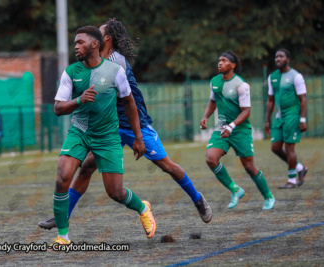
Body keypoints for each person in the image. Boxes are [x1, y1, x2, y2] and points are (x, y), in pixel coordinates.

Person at [39, 18, 212, 232]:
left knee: (166, 165)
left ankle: (197, 199)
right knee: (86, 168)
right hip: (110, 127)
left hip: (134, 123)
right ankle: (62, 215)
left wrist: (138, 137)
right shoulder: (91, 61)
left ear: (105, 39)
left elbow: (127, 101)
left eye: (98, 33)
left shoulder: (116, 62)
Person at [50, 25, 156, 245]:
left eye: (80, 42)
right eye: (75, 43)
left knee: (115, 192)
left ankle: (142, 208)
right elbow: (58, 108)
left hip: (107, 137)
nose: (76, 47)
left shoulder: (115, 71)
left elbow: (129, 103)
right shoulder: (71, 72)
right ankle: (63, 237)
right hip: (79, 132)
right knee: (62, 178)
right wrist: (79, 100)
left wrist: (138, 138)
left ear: (95, 44)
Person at [200, 51, 275, 210]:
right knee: (210, 158)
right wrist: (206, 116)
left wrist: (232, 126)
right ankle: (235, 189)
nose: (220, 63)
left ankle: (268, 196)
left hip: (240, 130)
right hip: (221, 127)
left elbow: (246, 111)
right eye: (219, 60)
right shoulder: (214, 81)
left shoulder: (241, 85)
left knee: (249, 167)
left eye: (224, 60)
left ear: (232, 65)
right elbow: (213, 101)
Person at [264, 48, 308, 189]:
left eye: (281, 56)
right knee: (275, 147)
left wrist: (302, 119)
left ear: (288, 59)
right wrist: (267, 121)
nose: (278, 59)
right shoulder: (272, 77)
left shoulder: (296, 76)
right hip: (279, 116)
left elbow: (303, 99)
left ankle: (292, 180)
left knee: (289, 148)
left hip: (293, 115)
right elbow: (270, 100)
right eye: (276, 57)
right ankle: (300, 168)